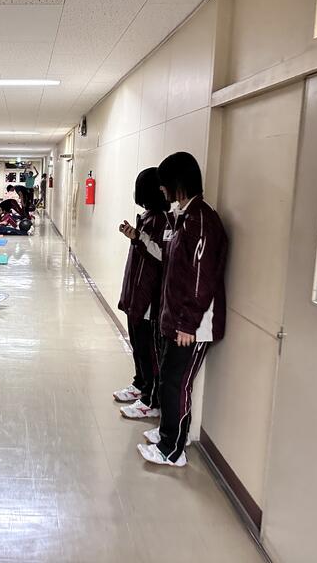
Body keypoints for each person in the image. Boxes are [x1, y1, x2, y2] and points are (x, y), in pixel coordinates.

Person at [137, 151, 227, 468]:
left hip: (193, 324)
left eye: (164, 184)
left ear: (177, 183)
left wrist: (187, 323)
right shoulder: (185, 218)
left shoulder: (201, 221)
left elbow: (201, 278)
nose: (161, 190)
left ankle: (172, 450)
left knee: (177, 383)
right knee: (168, 380)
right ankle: (170, 433)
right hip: (178, 319)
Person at [114, 168, 172, 422]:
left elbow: (162, 255)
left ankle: (151, 399)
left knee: (149, 351)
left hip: (149, 298)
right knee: (137, 346)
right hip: (135, 294)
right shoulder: (147, 217)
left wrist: (139, 237)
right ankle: (140, 384)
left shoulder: (163, 220)